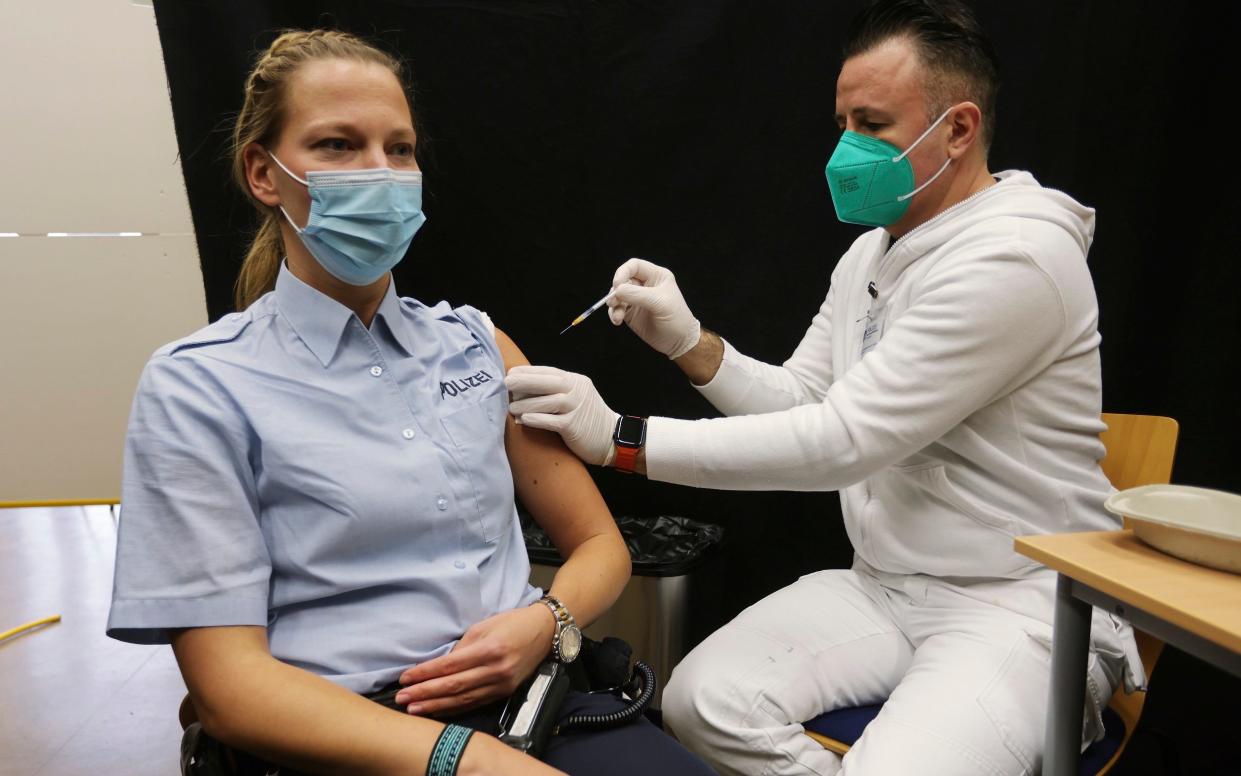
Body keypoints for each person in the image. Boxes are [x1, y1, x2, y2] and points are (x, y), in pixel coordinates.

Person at [504, 1, 1143, 774]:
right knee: (700, 702)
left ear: (959, 129)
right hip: (885, 586)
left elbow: (841, 442)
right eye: (842, 122)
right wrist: (688, 343)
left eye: (872, 124)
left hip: (1019, 602)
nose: (847, 149)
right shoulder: (874, 253)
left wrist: (619, 439)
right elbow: (806, 400)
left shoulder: (1016, 257)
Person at [106, 29, 712, 776]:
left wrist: (544, 621)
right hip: (345, 732)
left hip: (537, 697)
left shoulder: (477, 346)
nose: (380, 173)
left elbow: (600, 548)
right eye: (337, 145)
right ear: (263, 174)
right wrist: (472, 760)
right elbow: (230, 691)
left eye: (399, 149)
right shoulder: (198, 387)